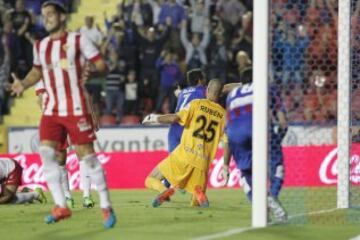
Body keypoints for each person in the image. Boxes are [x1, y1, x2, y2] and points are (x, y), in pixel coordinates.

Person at [9, 1, 116, 228]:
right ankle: (61, 206)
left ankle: (105, 206)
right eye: (44, 15)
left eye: (50, 14)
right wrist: (22, 85)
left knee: (87, 156)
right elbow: (36, 72)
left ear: (63, 17)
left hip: (75, 107)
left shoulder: (78, 40)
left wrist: (92, 68)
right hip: (51, 110)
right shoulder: (41, 45)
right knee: (47, 154)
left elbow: (101, 64)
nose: (45, 18)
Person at [142, 79, 226, 208]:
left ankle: (164, 190)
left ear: (207, 91)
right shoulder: (224, 116)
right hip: (202, 164)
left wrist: (154, 118)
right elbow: (229, 142)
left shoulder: (196, 104)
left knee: (150, 179)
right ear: (220, 94)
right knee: (195, 203)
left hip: (184, 156)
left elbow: (175, 118)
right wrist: (226, 165)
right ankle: (197, 192)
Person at [221, 68, 287, 222]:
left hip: (234, 132)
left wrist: (225, 163)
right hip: (257, 126)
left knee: (245, 172)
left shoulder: (232, 94)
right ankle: (271, 196)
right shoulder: (267, 87)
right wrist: (277, 139)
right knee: (277, 164)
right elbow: (283, 121)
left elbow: (226, 125)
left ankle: (259, 207)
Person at [34, 80, 95, 209]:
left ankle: (86, 196)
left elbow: (84, 94)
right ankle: (67, 197)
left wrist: (92, 116)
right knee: (60, 159)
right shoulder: (42, 77)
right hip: (57, 119)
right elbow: (41, 99)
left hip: (76, 116)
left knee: (83, 154)